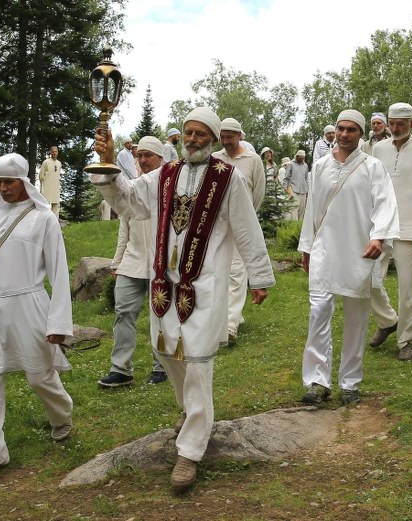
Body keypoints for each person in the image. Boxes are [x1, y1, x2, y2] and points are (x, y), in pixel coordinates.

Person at [91, 107, 275, 493]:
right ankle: (191, 410)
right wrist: (108, 165)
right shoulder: (165, 175)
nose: (192, 139)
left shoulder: (228, 178)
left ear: (213, 139)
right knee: (167, 352)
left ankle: (191, 449)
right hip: (165, 283)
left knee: (197, 360)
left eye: (200, 134)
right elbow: (129, 200)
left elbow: (246, 227)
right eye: (188, 132)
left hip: (205, 284)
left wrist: (259, 276)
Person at [0, 153, 74, 484]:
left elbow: (59, 273)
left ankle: (61, 416)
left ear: (24, 181)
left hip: (30, 305)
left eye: (9, 181)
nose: (3, 188)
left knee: (40, 376)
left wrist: (58, 324)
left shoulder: (44, 219)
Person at [298, 109, 399, 406]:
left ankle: (350, 383)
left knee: (356, 317)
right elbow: (312, 210)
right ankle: (317, 381)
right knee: (318, 312)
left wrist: (378, 237)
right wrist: (307, 247)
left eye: (351, 130)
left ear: (360, 134)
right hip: (324, 250)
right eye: (340, 128)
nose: (343, 134)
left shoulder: (372, 167)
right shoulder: (320, 166)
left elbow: (385, 204)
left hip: (359, 250)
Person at [97, 136, 168, 388]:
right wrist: (117, 263)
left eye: (149, 155)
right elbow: (124, 231)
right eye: (140, 156)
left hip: (162, 264)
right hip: (133, 261)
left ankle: (162, 366)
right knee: (123, 312)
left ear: (161, 158)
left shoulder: (170, 189)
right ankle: (121, 369)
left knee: (161, 315)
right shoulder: (132, 189)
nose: (143, 160)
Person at [367, 102, 412, 361]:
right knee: (368, 279)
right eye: (392, 123)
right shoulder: (379, 149)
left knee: (408, 288)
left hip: (410, 229)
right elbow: (372, 188)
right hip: (381, 227)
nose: (395, 129)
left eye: (401, 124)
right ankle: (387, 320)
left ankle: (405, 339)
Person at [213, 117, 266, 345]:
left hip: (242, 225)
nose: (226, 141)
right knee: (219, 271)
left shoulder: (253, 160)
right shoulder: (215, 159)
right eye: (222, 137)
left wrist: (246, 219)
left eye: (230, 137)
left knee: (236, 272)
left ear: (239, 136)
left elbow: (258, 193)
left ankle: (230, 326)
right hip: (218, 225)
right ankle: (224, 316)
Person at [283, 150, 311, 221]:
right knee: (294, 210)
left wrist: (308, 189)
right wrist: (285, 188)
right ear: (297, 157)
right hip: (293, 190)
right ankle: (294, 225)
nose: (301, 159)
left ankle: (300, 225)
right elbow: (286, 177)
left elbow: (306, 179)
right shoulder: (291, 164)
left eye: (303, 158)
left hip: (303, 191)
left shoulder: (305, 166)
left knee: (302, 210)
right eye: (300, 158)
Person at [39, 146, 62, 214]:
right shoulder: (46, 162)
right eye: (53, 152)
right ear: (50, 153)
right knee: (44, 204)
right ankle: (44, 218)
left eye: (56, 151)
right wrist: (43, 185)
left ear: (57, 152)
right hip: (47, 187)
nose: (54, 153)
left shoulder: (59, 163)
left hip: (55, 187)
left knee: (56, 204)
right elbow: (41, 176)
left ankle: (54, 219)